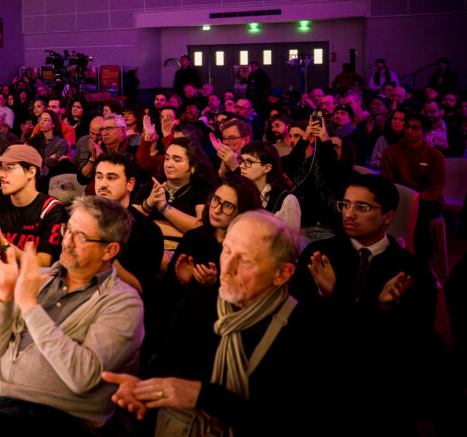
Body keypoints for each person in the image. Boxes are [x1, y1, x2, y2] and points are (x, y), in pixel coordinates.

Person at [0, 195, 145, 435]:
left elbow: (83, 377)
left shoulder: (123, 302)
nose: (67, 241)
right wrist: (5, 297)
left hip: (63, 417)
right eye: (67, 230)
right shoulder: (39, 278)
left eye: (80, 236)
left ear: (109, 250)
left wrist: (30, 305)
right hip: (1, 403)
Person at [103, 211, 334, 437]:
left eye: (246, 260)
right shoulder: (197, 303)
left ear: (283, 273)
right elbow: (165, 369)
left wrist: (203, 396)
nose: (228, 269)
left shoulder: (305, 330)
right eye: (227, 251)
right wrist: (141, 392)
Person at [293, 174, 439, 434]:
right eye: (345, 204)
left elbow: (415, 342)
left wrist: (338, 298)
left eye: (362, 207)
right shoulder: (319, 255)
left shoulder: (410, 270)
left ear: (388, 216)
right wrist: (375, 308)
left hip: (383, 391)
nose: (349, 214)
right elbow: (302, 327)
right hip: (321, 384)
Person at [93, 152, 163, 297]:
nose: (103, 184)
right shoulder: (82, 220)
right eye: (99, 177)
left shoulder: (148, 231)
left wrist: (108, 260)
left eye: (111, 178)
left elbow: (143, 289)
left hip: (120, 305)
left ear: (130, 184)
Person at [0, 145, 67, 268]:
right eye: (1, 169)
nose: (1, 174)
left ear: (31, 172)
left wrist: (3, 242)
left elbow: (44, 263)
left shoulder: (51, 209)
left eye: (9, 168)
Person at [380, 112, 445, 261]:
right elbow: (387, 182)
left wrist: (415, 199)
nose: (409, 130)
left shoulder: (435, 156)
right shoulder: (390, 153)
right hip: (396, 197)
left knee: (418, 210)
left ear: (425, 133)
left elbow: (436, 187)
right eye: (407, 127)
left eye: (415, 128)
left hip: (427, 199)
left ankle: (419, 259)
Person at [139, 137, 215, 239]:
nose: (169, 165)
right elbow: (130, 219)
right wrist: (148, 203)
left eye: (177, 160)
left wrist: (164, 208)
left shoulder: (201, 189)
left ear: (193, 167)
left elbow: (201, 227)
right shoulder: (154, 184)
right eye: (167, 159)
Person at [239, 142, 301, 231]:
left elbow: (290, 241)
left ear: (267, 168)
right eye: (241, 161)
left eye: (249, 162)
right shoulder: (239, 192)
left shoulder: (286, 200)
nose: (241, 166)